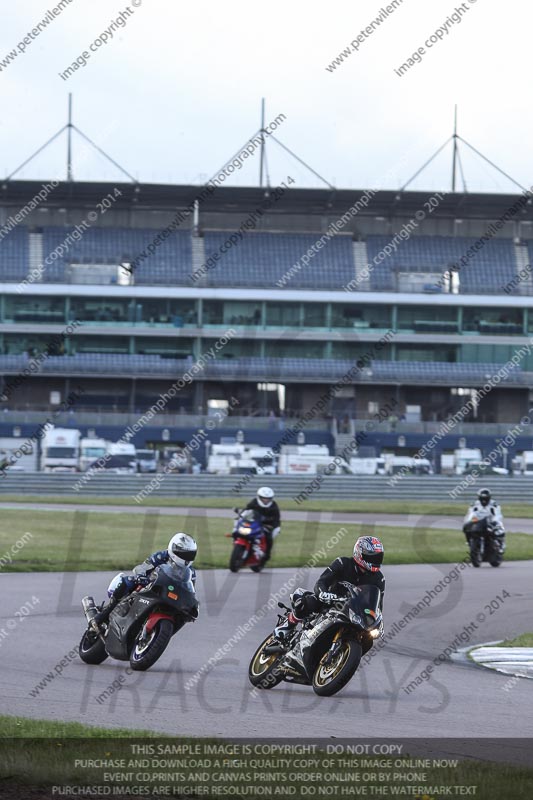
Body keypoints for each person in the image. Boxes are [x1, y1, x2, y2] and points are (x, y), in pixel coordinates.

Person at [274, 535, 385, 647]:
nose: (375, 560)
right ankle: (288, 625)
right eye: (372, 557)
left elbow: (377, 606)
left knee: (367, 639)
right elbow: (322, 582)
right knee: (307, 603)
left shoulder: (379, 579)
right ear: (359, 553)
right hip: (330, 601)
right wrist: (323, 593)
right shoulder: (343, 563)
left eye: (378, 557)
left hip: (353, 611)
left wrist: (377, 623)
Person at [93, 532, 198, 625]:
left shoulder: (191, 572)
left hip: (169, 596)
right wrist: (141, 576)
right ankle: (105, 613)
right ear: (173, 548)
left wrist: (192, 604)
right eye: (183, 553)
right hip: (150, 585)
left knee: (182, 616)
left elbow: (190, 591)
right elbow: (142, 567)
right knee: (128, 581)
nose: (186, 558)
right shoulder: (161, 556)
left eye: (190, 555)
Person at [236, 487, 281, 566]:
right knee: (239, 529)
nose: (266, 500)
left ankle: (267, 554)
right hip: (255, 522)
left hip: (269, 525)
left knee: (268, 537)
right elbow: (247, 510)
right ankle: (238, 542)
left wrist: (271, 525)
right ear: (259, 497)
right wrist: (240, 516)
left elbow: (277, 518)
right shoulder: (254, 502)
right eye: (263, 498)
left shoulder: (274, 505)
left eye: (268, 499)